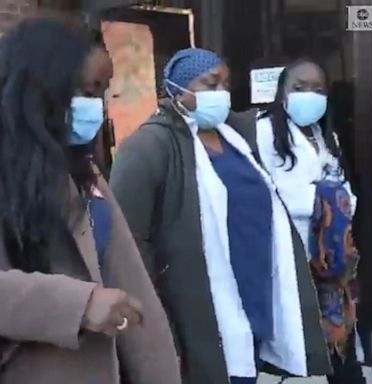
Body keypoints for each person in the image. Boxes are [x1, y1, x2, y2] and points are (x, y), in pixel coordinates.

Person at [110, 48, 331, 384]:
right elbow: (127, 241)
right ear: (176, 89)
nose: (221, 94)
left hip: (254, 298)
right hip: (200, 312)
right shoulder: (149, 146)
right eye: (210, 84)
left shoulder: (237, 137)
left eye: (226, 85)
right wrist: (156, 317)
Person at [0, 16, 181, 384]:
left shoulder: (83, 171)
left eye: (101, 93)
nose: (95, 108)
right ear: (41, 87)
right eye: (85, 91)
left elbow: (130, 289)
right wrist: (78, 305)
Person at [256, 58, 365, 384]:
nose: (309, 95)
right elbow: (275, 192)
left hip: (331, 258)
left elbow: (346, 192)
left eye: (317, 89)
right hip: (293, 252)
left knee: (339, 337)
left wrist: (330, 198)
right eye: (299, 88)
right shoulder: (266, 131)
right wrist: (326, 197)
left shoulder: (325, 135)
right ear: (283, 93)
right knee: (297, 340)